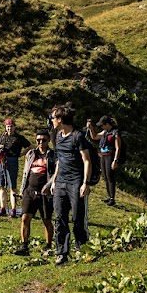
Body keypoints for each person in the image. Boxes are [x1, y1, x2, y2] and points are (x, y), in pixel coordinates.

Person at [44, 105, 93, 265]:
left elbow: (87, 161)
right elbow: (60, 161)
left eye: (53, 118)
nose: (51, 121)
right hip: (60, 183)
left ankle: (82, 249)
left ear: (60, 119)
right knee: (60, 218)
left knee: (78, 218)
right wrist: (53, 181)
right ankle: (62, 253)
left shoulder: (78, 136)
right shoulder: (58, 136)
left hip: (76, 182)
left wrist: (85, 183)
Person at [16, 130, 55, 255]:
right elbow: (25, 173)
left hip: (45, 192)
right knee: (25, 217)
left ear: (48, 140)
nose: (40, 142)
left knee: (46, 220)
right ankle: (24, 245)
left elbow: (55, 173)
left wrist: (51, 187)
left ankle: (49, 245)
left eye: (43, 140)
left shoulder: (53, 155)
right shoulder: (31, 153)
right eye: (38, 140)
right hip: (29, 190)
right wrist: (22, 190)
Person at [0, 117, 30, 218]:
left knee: (12, 187)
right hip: (1, 161)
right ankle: (2, 208)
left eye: (11, 126)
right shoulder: (2, 136)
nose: (9, 128)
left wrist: (21, 154)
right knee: (1, 186)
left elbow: (30, 146)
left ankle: (13, 209)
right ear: (5, 127)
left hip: (12, 160)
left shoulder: (19, 138)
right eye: (8, 126)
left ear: (14, 127)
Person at [89, 116, 123, 205]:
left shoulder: (115, 133)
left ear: (107, 124)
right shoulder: (105, 132)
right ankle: (109, 197)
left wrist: (115, 160)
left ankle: (112, 198)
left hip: (110, 157)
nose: (101, 127)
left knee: (110, 176)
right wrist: (90, 128)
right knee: (105, 176)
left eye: (102, 125)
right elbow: (95, 137)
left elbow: (118, 147)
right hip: (103, 156)